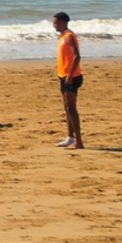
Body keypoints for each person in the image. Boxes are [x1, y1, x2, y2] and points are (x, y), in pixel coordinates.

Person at [51, 12, 83, 149]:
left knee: (71, 108)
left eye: (56, 22)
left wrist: (69, 76)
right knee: (67, 108)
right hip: (63, 75)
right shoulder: (62, 36)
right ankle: (70, 138)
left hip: (72, 77)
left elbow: (77, 56)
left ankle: (79, 142)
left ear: (64, 22)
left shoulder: (69, 36)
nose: (54, 25)